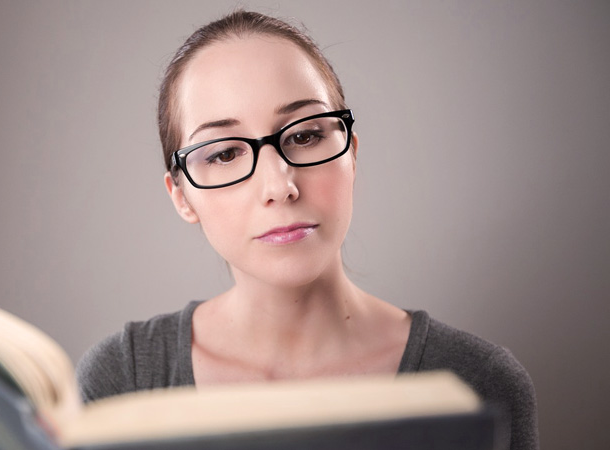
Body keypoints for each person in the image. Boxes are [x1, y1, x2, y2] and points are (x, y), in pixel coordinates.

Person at [77, 10, 538, 450]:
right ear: (181, 196)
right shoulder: (125, 377)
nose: (279, 186)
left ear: (351, 153)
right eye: (223, 154)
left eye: (304, 135)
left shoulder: (479, 383)